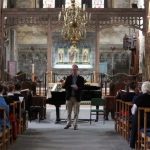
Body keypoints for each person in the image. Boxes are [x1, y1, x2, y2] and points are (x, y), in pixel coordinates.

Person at [62, 65, 84, 130]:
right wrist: (63, 85)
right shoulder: (68, 78)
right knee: (69, 112)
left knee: (76, 112)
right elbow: (65, 86)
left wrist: (78, 88)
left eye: (75, 70)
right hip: (69, 97)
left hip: (76, 97)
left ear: (77, 70)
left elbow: (83, 87)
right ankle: (68, 124)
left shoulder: (81, 78)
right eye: (73, 70)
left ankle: (75, 125)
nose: (73, 71)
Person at [130, 81, 150, 148]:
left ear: (142, 88)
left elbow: (133, 111)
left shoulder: (139, 98)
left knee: (135, 122)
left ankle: (132, 143)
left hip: (140, 121)